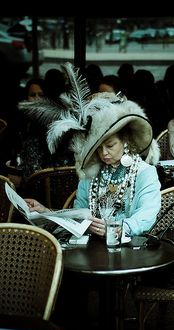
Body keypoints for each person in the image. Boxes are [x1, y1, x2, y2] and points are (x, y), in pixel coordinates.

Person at [22, 62, 162, 239]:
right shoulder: (91, 172)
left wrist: (117, 229)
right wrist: (46, 212)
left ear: (125, 139)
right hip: (91, 248)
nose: (103, 153)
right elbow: (78, 214)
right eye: (97, 149)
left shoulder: (145, 173)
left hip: (128, 249)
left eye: (110, 146)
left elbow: (146, 216)